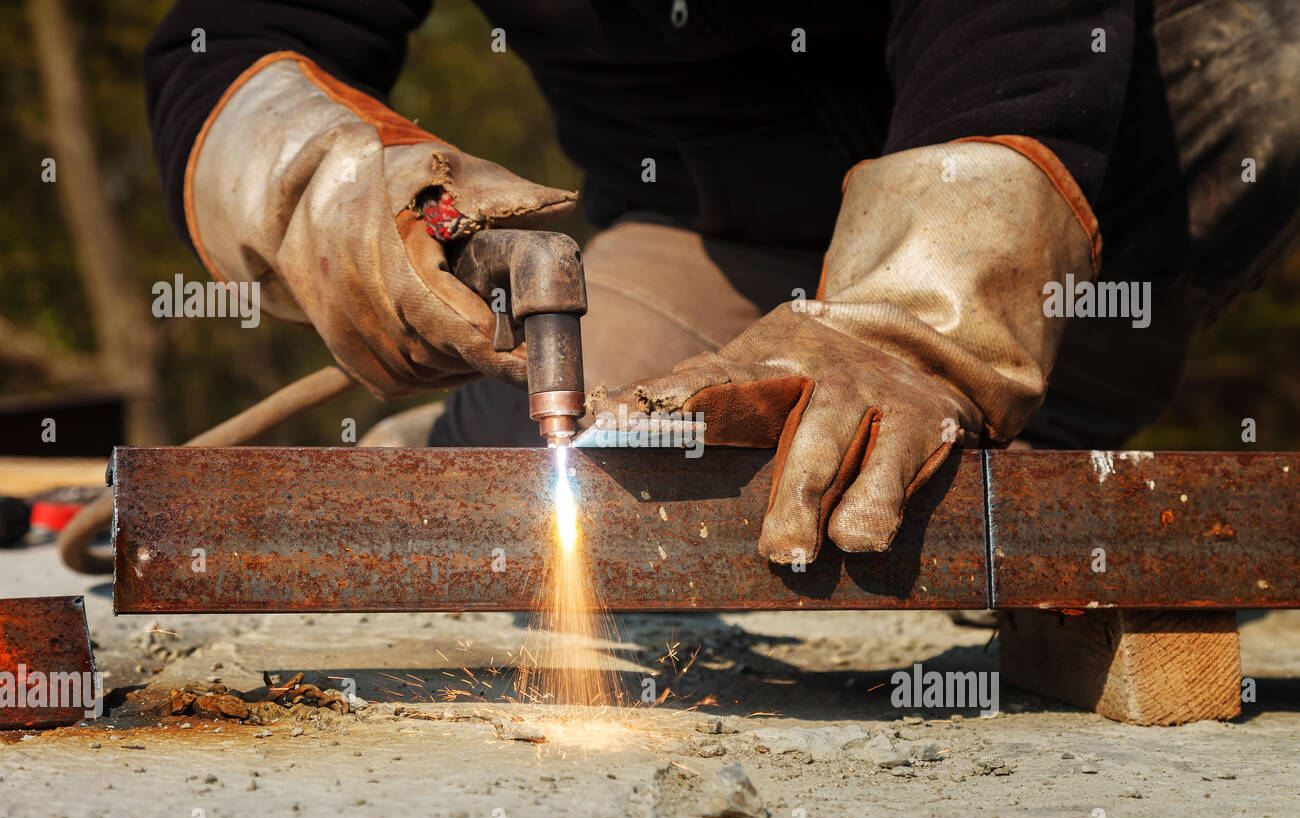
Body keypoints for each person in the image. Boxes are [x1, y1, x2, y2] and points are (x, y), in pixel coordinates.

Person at [145, 0, 1300, 564]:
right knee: (529, 505)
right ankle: (439, 437)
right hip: (723, 238)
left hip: (1049, 206)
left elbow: (1022, 46)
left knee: (910, 506)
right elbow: (231, 36)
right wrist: (331, 189)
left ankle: (1059, 383)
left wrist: (914, 334)